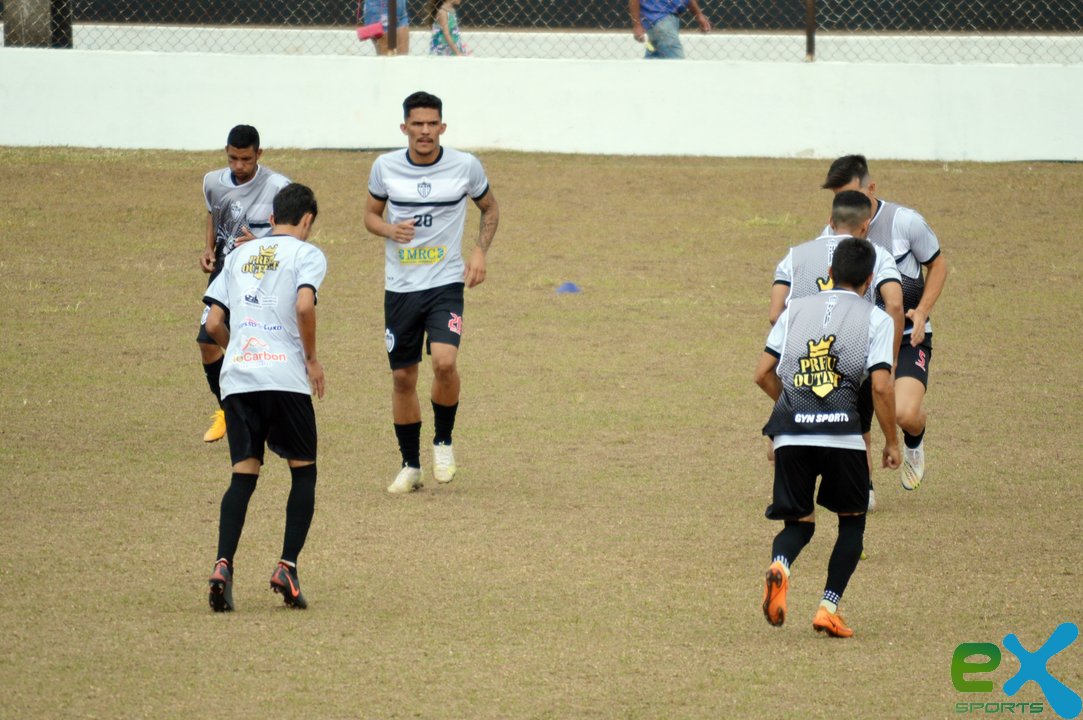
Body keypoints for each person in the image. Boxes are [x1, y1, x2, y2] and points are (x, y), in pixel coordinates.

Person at [754, 237, 900, 638]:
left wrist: (791, 409)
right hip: (843, 437)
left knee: (799, 526)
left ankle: (780, 566)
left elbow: (762, 373)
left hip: (791, 435)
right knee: (852, 524)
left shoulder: (794, 310)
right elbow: (882, 387)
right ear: (870, 280)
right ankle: (827, 608)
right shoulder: (876, 319)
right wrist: (891, 441)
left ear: (830, 272)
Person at [364, 91, 500, 494]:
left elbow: (490, 208)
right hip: (401, 288)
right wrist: (389, 229)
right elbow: (370, 215)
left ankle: (443, 441)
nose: (424, 131)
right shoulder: (385, 167)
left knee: (444, 362)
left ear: (442, 126)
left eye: (431, 124)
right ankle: (411, 466)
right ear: (404, 127)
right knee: (403, 377)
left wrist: (479, 251)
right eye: (417, 124)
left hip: (445, 284)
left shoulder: (465, 166)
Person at [203, 183, 328, 612]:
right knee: (303, 473)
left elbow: (213, 323)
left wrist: (242, 347)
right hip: (285, 378)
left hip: (239, 379)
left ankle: (222, 565)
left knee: (243, 476)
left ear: (272, 218)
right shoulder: (307, 254)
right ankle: (286, 567)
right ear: (307, 220)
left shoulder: (238, 256)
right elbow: (305, 306)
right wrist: (311, 360)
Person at [769, 190, 904, 512]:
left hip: (803, 355)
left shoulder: (795, 255)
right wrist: (891, 356)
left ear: (830, 220)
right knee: (859, 423)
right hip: (853, 351)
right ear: (866, 225)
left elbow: (775, 313)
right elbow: (895, 305)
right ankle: (862, 489)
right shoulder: (877, 255)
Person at [822, 155, 946, 491]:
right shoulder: (831, 232)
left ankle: (914, 440)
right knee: (854, 419)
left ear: (872, 188)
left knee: (904, 413)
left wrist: (922, 311)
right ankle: (865, 488)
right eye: (837, 197)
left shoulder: (904, 222)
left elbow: (938, 265)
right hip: (857, 339)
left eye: (849, 193)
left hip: (905, 336)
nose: (844, 203)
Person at [198, 125, 290, 443]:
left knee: (266, 346)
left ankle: (270, 410)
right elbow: (213, 214)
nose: (239, 166)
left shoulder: (278, 187)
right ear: (226, 152)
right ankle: (229, 408)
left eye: (246, 160)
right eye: (233, 159)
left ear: (259, 154)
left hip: (262, 275)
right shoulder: (213, 182)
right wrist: (208, 249)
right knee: (208, 339)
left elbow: (291, 233)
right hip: (227, 272)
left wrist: (260, 243)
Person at [629, 0, 711, 59]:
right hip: (661, 21)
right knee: (677, 65)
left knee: (652, 68)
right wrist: (637, 24)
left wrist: (699, 15)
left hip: (665, 21)